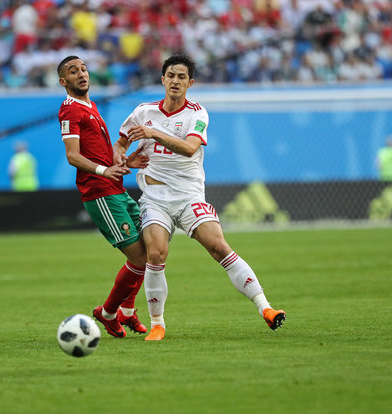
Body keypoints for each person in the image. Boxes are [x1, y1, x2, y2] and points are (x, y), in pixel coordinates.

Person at [115, 54, 286, 341]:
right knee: (156, 252)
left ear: (190, 83)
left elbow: (190, 148)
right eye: (171, 75)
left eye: (182, 77)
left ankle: (265, 308)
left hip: (189, 195)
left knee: (219, 246)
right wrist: (124, 162)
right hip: (155, 198)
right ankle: (158, 324)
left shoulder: (197, 113)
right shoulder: (143, 112)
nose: (175, 81)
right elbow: (120, 144)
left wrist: (154, 134)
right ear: (162, 79)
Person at [57, 55, 149, 338]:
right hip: (99, 193)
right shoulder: (69, 110)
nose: (82, 74)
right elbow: (72, 156)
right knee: (138, 258)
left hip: (116, 188)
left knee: (152, 248)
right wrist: (103, 170)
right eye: (74, 71)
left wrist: (123, 163)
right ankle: (108, 313)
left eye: (83, 69)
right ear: (64, 81)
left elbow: (102, 150)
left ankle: (127, 312)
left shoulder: (91, 106)